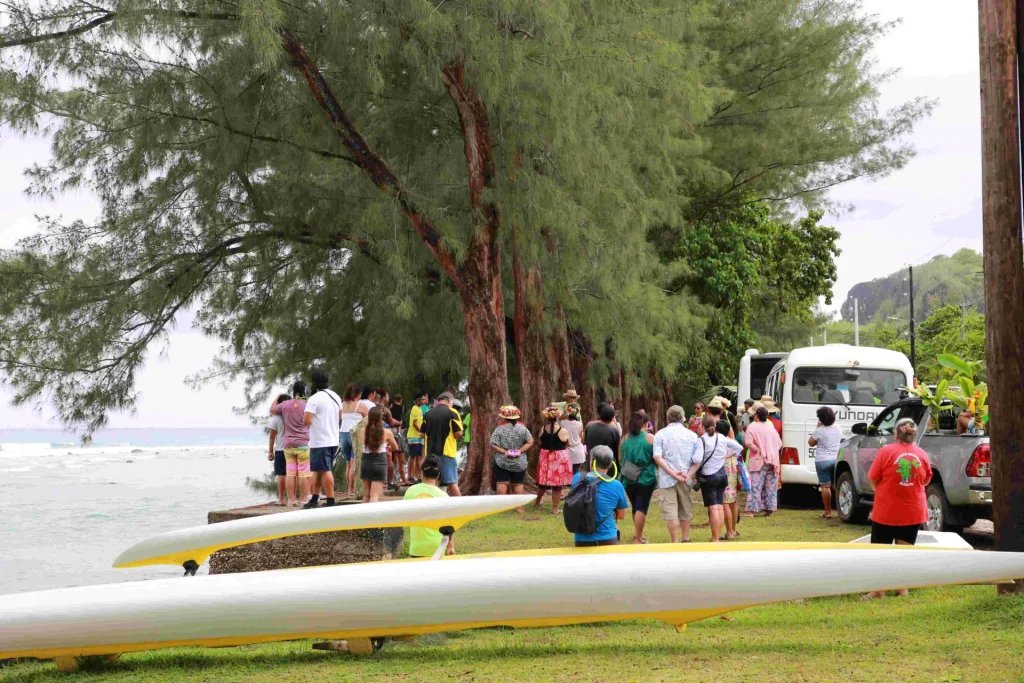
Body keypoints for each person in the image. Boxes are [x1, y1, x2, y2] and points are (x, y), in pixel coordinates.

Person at [863, 417, 932, 600]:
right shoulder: (922, 454)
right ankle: (902, 589)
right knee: (905, 551)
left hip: (887, 510)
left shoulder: (886, 452)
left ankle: (878, 590)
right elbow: (926, 480)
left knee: (880, 551)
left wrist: (883, 491)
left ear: (896, 433)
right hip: (913, 510)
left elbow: (872, 478)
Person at [688, 415, 743, 542]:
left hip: (709, 476)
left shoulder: (702, 440)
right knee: (719, 506)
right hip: (722, 475)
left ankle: (715, 538)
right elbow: (739, 447)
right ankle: (717, 536)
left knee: (713, 508)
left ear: (702, 426)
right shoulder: (722, 438)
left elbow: (697, 459)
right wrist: (725, 455)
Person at [653, 405, 700, 543]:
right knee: (685, 507)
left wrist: (672, 473)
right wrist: (688, 474)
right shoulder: (692, 435)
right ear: (683, 418)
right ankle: (686, 538)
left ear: (668, 418)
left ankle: (674, 541)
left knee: (670, 510)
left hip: (667, 478)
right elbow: (697, 460)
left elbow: (657, 457)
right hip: (686, 477)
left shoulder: (660, 434)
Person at [569, 445, 629, 547]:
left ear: (592, 461)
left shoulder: (577, 478)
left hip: (581, 539)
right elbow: (621, 515)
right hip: (608, 538)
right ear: (610, 464)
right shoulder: (616, 485)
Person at [302, 369, 342, 508]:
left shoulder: (314, 399)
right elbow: (340, 416)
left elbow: (306, 420)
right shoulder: (336, 396)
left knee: (324, 470)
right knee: (319, 470)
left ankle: (330, 500)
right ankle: (315, 497)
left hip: (320, 440)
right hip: (333, 438)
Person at [269, 382, 311, 507]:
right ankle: (304, 498)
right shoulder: (306, 405)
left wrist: (278, 396)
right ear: (304, 392)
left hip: (288, 444)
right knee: (303, 473)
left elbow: (272, 409)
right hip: (303, 443)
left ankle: (291, 499)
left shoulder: (285, 405)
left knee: (291, 473)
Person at [405, 456, 455, 557]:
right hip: (439, 548)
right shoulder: (443, 496)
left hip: (417, 548)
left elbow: (404, 516)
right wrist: (451, 546)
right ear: (438, 475)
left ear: (421, 474)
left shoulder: (411, 491)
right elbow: (450, 524)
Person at [620, 411, 657, 544]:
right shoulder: (650, 438)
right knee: (642, 507)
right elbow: (657, 458)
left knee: (635, 506)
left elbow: (620, 458)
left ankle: (638, 533)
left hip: (629, 477)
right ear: (646, 424)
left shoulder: (624, 438)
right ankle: (638, 537)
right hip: (646, 478)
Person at [420, 392, 464, 496]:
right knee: (452, 483)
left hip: (430, 454)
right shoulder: (452, 412)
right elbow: (458, 433)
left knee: (434, 482)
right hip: (447, 453)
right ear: (449, 401)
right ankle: (461, 507)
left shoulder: (428, 413)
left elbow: (422, 434)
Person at [490, 404, 534, 499]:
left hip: (502, 461)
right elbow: (530, 442)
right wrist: (520, 451)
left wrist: (504, 452)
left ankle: (501, 506)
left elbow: (493, 443)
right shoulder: (522, 429)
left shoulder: (499, 429)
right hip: (519, 462)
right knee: (518, 484)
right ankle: (520, 508)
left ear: (504, 417)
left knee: (502, 483)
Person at [743, 406, 781, 517]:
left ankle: (751, 510)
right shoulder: (771, 429)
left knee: (755, 485)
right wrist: (771, 450)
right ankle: (770, 508)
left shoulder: (752, 427)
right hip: (773, 460)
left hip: (758, 459)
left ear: (756, 416)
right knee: (771, 485)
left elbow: (748, 443)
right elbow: (779, 444)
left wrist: (758, 449)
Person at [535, 405, 572, 514]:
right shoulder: (563, 431)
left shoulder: (543, 429)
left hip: (545, 457)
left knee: (543, 483)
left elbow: (541, 441)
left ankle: (537, 501)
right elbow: (567, 443)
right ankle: (555, 508)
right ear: (557, 417)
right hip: (558, 459)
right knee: (557, 485)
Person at [361, 406, 400, 503]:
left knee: (366, 495)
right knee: (374, 495)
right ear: (381, 418)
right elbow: (396, 447)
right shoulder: (387, 432)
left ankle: (363, 517)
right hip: (379, 462)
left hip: (365, 462)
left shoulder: (363, 431)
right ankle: (372, 518)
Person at [809, 406, 842, 519]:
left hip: (822, 460)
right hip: (835, 459)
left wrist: (817, 427)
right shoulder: (838, 427)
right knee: (836, 486)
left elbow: (811, 443)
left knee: (825, 487)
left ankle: (827, 512)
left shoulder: (819, 431)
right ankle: (841, 510)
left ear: (821, 419)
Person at [340, 383, 368, 498]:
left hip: (343, 434)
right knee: (354, 463)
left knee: (348, 463)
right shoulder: (360, 405)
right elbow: (367, 421)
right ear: (358, 394)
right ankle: (353, 489)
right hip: (355, 434)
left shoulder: (342, 405)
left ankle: (349, 489)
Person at [267, 393, 291, 506]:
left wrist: (270, 452)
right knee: (293, 474)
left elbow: (272, 436)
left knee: (282, 474)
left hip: (281, 449)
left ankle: (281, 499)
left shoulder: (276, 419)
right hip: (293, 447)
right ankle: (292, 498)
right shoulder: (293, 416)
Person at [389, 393, 411, 486]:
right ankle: (403, 479)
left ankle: (391, 479)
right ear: (401, 400)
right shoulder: (401, 407)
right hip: (398, 429)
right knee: (400, 458)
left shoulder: (390, 406)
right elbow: (401, 416)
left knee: (392, 458)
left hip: (391, 429)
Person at [406, 393, 428, 483]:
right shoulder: (415, 409)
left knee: (419, 456)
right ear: (418, 400)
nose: (424, 401)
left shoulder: (419, 409)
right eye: (422, 399)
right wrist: (421, 431)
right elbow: (415, 423)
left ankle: (420, 475)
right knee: (412, 456)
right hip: (414, 436)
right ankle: (410, 476)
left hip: (418, 437)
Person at [560, 403, 587, 474]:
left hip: (566, 450)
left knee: (566, 473)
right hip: (578, 451)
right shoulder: (580, 424)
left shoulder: (562, 423)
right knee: (576, 472)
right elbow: (581, 436)